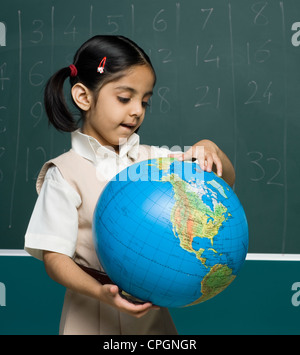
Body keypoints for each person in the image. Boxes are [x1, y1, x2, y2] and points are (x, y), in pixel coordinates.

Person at [24, 35, 235, 335]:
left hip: (149, 317)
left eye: (145, 102)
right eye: (125, 98)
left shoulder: (156, 162)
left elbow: (222, 180)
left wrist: (210, 148)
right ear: (83, 97)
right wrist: (100, 294)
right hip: (91, 313)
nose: (137, 110)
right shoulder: (64, 172)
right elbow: (54, 257)